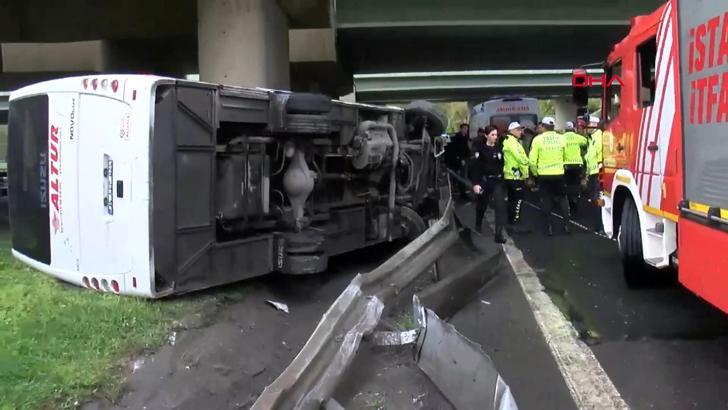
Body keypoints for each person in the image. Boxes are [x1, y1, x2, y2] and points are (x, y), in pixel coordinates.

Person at [528, 117, 571, 236]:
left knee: (546, 200)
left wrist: (535, 173)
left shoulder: (537, 140)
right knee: (563, 198)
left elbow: (532, 161)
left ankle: (549, 226)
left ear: (543, 126)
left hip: (544, 175)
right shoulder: (561, 138)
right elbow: (566, 156)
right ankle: (567, 224)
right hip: (559, 173)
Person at [470, 125, 507, 243]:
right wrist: (475, 184)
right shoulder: (480, 149)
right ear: (486, 135)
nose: (495, 137)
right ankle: (478, 225)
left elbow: (503, 164)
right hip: (485, 182)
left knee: (500, 207)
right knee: (482, 206)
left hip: (497, 181)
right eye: (492, 135)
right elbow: (475, 168)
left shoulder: (499, 147)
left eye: (496, 135)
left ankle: (498, 234)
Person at [502, 122, 530, 226]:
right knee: (518, 199)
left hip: (515, 175)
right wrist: (528, 162)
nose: (520, 131)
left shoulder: (514, 141)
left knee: (513, 199)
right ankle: (514, 220)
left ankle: (512, 219)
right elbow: (519, 157)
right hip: (514, 176)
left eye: (520, 129)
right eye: (518, 129)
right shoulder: (511, 142)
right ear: (512, 131)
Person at [584, 116, 605, 234]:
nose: (586, 127)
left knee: (598, 200)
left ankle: (601, 227)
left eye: (588, 124)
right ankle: (598, 226)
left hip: (598, 174)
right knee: (595, 201)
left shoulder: (599, 136)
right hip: (593, 174)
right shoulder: (592, 138)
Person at [562, 121, 588, 215]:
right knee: (576, 184)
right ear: (573, 128)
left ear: (565, 129)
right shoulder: (578, 137)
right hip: (577, 164)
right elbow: (586, 142)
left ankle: (570, 203)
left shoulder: (561, 138)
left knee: (568, 185)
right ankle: (576, 198)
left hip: (566, 165)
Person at [445, 123, 471, 200]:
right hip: (458, 160)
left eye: (467, 129)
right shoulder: (457, 137)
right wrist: (460, 159)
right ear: (461, 129)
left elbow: (465, 149)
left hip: (464, 159)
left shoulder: (465, 137)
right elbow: (456, 150)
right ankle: (458, 193)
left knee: (462, 177)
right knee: (458, 177)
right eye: (464, 128)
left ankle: (462, 193)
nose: (466, 130)